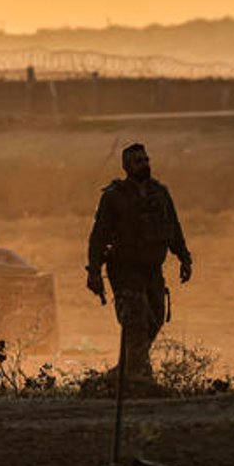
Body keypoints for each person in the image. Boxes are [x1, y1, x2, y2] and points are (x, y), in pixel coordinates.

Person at [86, 142, 192, 385]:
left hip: (153, 269)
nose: (144, 165)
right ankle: (138, 378)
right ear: (126, 166)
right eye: (138, 161)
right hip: (125, 269)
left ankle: (124, 372)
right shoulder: (114, 197)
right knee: (135, 320)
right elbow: (98, 236)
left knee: (155, 319)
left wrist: (184, 258)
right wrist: (93, 271)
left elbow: (173, 228)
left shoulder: (160, 193)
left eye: (146, 160)